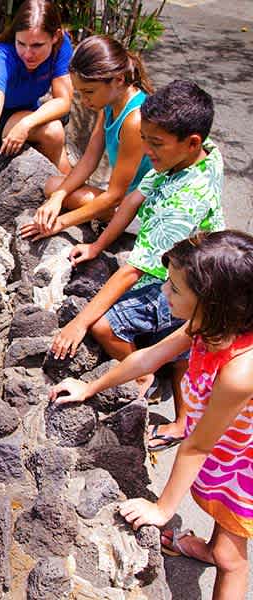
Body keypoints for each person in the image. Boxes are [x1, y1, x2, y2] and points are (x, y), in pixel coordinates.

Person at [50, 230, 253, 599]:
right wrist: (90, 387)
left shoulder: (241, 371)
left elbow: (197, 446)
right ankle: (210, 547)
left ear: (214, 303)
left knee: (232, 559)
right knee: (223, 527)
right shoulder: (206, 326)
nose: (163, 292)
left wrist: (162, 509)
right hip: (225, 449)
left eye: (175, 288)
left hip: (242, 464)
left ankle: (219, 554)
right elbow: (149, 357)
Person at [51, 80, 224, 450]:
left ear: (191, 141)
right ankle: (175, 401)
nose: (146, 150)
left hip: (184, 282)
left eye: (155, 143)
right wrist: (97, 245)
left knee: (105, 326)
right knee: (180, 345)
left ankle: (146, 381)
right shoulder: (201, 153)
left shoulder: (181, 205)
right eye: (145, 138)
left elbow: (133, 270)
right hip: (192, 273)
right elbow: (132, 199)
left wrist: (78, 324)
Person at [19, 35, 153, 240]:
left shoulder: (135, 120)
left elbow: (115, 195)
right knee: (54, 187)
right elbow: (89, 160)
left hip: (140, 210)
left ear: (118, 80)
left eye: (89, 91)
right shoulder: (110, 103)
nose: (84, 101)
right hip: (123, 198)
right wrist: (57, 198)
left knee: (62, 191)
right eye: (80, 93)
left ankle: (114, 226)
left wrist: (60, 223)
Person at [0, 0, 73, 188]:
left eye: (37, 45)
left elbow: (64, 100)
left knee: (60, 117)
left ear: (55, 37)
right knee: (53, 130)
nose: (27, 54)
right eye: (21, 43)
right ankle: (67, 188)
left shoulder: (61, 46)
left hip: (23, 110)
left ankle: (68, 187)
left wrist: (26, 124)